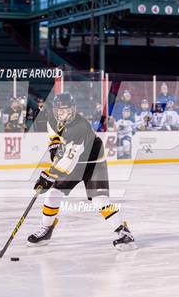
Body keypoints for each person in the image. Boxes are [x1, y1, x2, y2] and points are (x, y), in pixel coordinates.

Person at [28, 93, 135, 251]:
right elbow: (53, 135)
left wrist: (48, 176)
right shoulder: (51, 117)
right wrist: (54, 147)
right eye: (60, 111)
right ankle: (46, 229)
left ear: (74, 110)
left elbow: (69, 162)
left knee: (100, 201)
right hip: (72, 162)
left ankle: (124, 232)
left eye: (67, 111)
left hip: (93, 164)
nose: (63, 114)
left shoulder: (80, 126)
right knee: (53, 194)